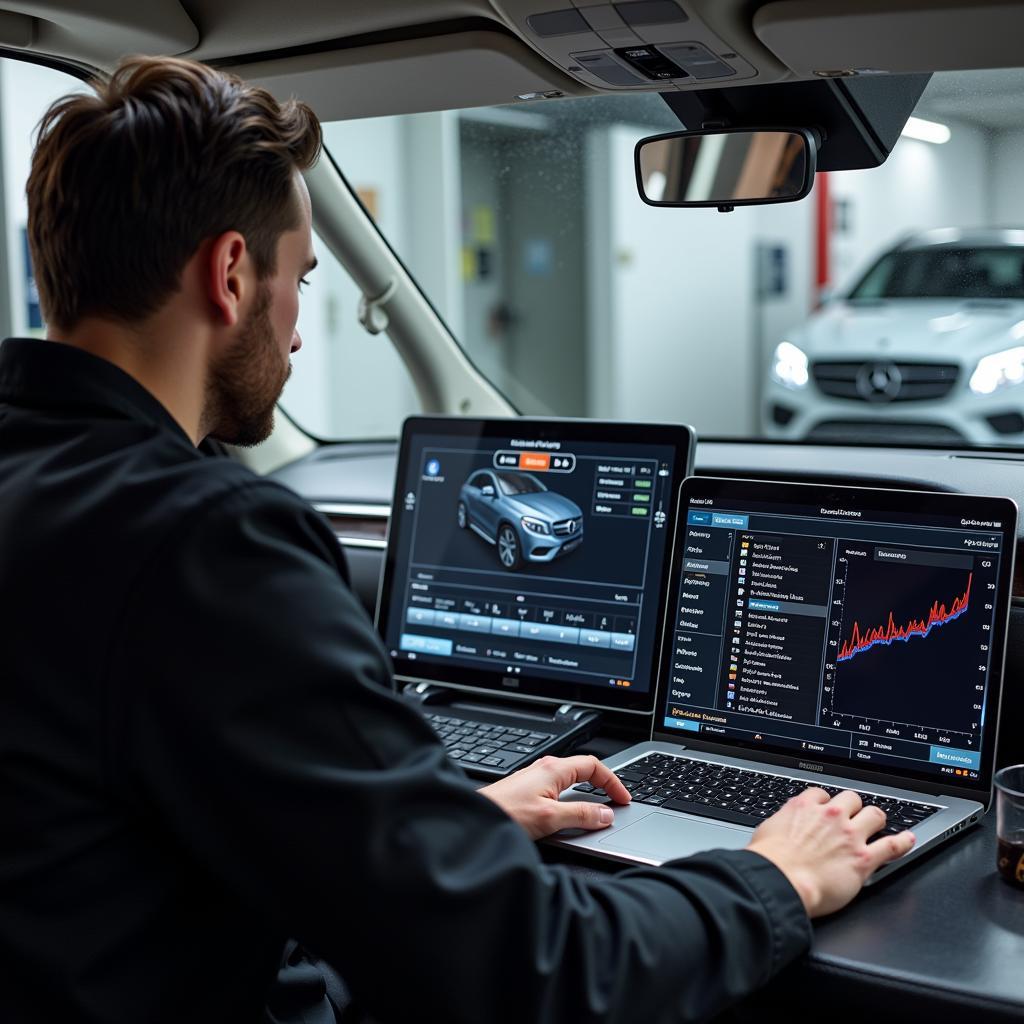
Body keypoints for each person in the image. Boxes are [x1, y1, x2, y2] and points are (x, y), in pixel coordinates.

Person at [0, 56, 915, 1024]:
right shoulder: (203, 542)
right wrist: (772, 877)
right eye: (301, 280)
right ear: (231, 273)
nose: (299, 334)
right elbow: (531, 967)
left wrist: (447, 832)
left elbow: (126, 839)